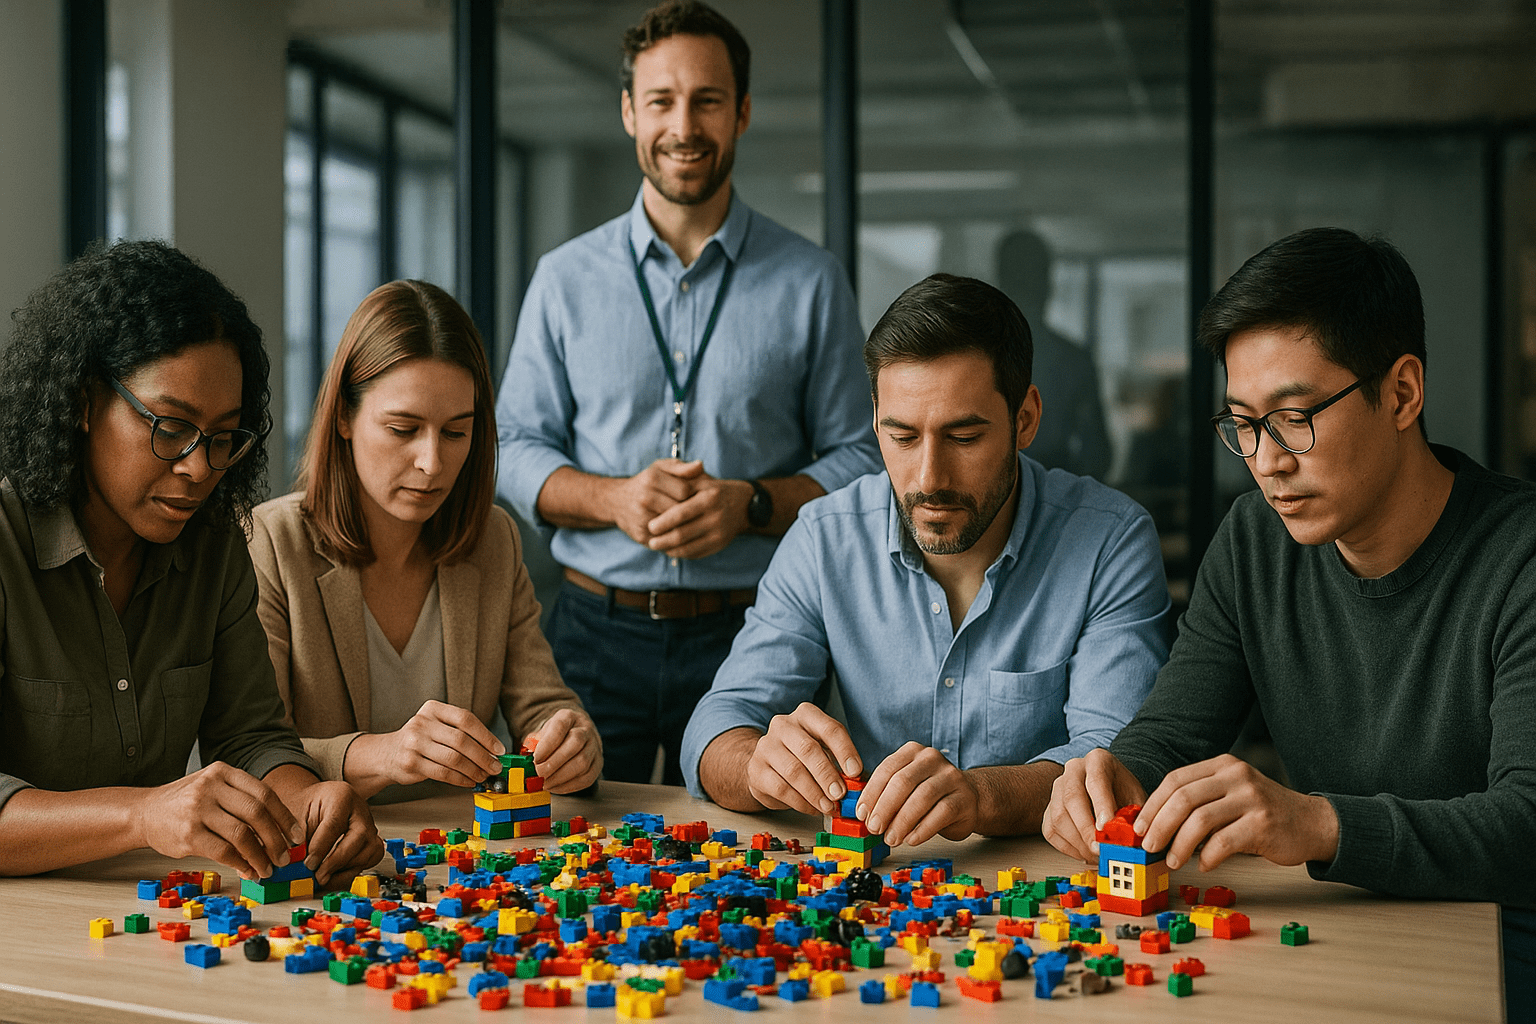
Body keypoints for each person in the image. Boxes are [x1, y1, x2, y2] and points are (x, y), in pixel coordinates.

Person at [1039, 227, 1536, 1017]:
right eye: (1241, 422)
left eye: (1294, 416)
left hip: (1500, 954)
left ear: (1403, 393)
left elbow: (1525, 828)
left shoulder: (1520, 558)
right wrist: (1113, 775)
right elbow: (1173, 732)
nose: (1266, 459)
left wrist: (1315, 822)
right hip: (1346, 933)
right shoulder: (1253, 541)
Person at [497, 0, 879, 785]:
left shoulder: (811, 280)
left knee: (759, 861)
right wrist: (612, 501)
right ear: (630, 112)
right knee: (578, 860)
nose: (684, 124)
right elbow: (509, 449)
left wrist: (752, 503)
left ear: (740, 112)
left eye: (707, 100)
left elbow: (868, 457)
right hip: (590, 634)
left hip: (759, 629)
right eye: (662, 101)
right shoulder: (564, 280)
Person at [682, 274, 1170, 846]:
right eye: (903, 437)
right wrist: (755, 764)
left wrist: (980, 796)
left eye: (964, 437)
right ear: (876, 424)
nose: (928, 479)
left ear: (1026, 419)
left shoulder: (1111, 539)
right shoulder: (822, 536)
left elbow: (1115, 758)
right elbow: (713, 729)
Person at [0, 241, 380, 884]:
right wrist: (143, 814)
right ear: (84, 402)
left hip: (142, 917)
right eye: (170, 427)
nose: (200, 468)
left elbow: (252, 737)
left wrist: (307, 800)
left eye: (223, 436)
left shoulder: (214, 542)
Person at [250, 280, 602, 802]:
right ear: (344, 416)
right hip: (329, 862)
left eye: (456, 432)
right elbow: (252, 750)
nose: (432, 463)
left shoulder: (494, 540)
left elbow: (543, 704)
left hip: (463, 860)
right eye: (402, 428)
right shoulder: (272, 543)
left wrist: (571, 740)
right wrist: (385, 753)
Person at [996, 230, 1112, 479]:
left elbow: (1098, 454)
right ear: (1047, 284)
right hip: (1055, 487)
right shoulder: (1073, 360)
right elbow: (1098, 454)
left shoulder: (974, 356)